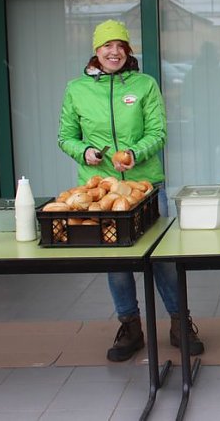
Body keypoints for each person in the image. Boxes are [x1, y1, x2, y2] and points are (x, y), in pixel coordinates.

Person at [58, 19, 204, 362]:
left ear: (128, 51)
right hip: (101, 192)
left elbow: (158, 131)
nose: (114, 52)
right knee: (117, 261)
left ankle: (179, 322)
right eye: (107, 46)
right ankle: (130, 326)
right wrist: (85, 153)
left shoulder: (144, 85)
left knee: (163, 258)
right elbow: (66, 136)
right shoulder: (76, 89)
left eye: (120, 46)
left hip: (146, 186)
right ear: (95, 51)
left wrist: (135, 153)